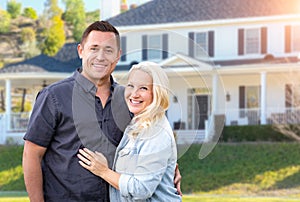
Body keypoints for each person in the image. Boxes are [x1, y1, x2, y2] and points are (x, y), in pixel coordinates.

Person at [22, 21, 181, 202]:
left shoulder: (129, 99)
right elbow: (31, 154)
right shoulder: (54, 96)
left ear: (118, 56)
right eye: (94, 48)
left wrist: (168, 170)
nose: (100, 57)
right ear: (81, 51)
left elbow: (150, 142)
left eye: (108, 50)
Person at [78, 61, 182, 201]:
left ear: (157, 93)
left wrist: (103, 171)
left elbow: (141, 189)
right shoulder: (136, 123)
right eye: (131, 85)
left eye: (143, 88)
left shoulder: (156, 133)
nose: (134, 94)